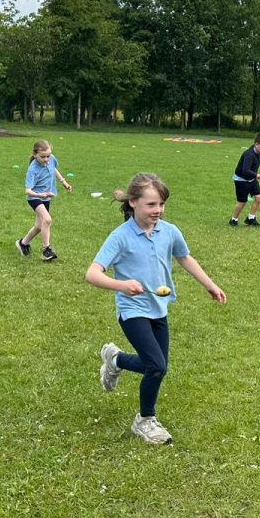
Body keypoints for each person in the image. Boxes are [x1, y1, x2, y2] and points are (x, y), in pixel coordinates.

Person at [87, 173, 227, 445]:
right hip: (132, 310)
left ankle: (115, 360)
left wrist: (210, 285)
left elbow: (185, 258)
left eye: (161, 204)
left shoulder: (169, 231)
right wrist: (122, 285)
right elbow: (92, 273)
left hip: (158, 308)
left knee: (157, 367)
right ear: (133, 202)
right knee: (156, 366)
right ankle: (145, 420)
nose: (158, 210)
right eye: (151, 204)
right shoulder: (120, 237)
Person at [17, 139, 72, 261]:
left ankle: (23, 243)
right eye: (43, 157)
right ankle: (46, 250)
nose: (46, 159)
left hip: (46, 197)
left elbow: (53, 169)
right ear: (35, 154)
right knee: (47, 220)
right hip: (35, 197)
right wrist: (41, 195)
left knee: (38, 226)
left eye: (48, 156)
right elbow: (27, 191)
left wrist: (63, 182)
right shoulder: (32, 169)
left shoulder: (51, 158)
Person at [230, 132, 260, 227]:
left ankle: (251, 218)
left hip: (251, 178)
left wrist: (257, 176)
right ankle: (233, 220)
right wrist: (258, 176)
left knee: (259, 197)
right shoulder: (249, 154)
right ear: (256, 144)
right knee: (242, 201)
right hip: (241, 180)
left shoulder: (259, 152)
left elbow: (253, 168)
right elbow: (245, 170)